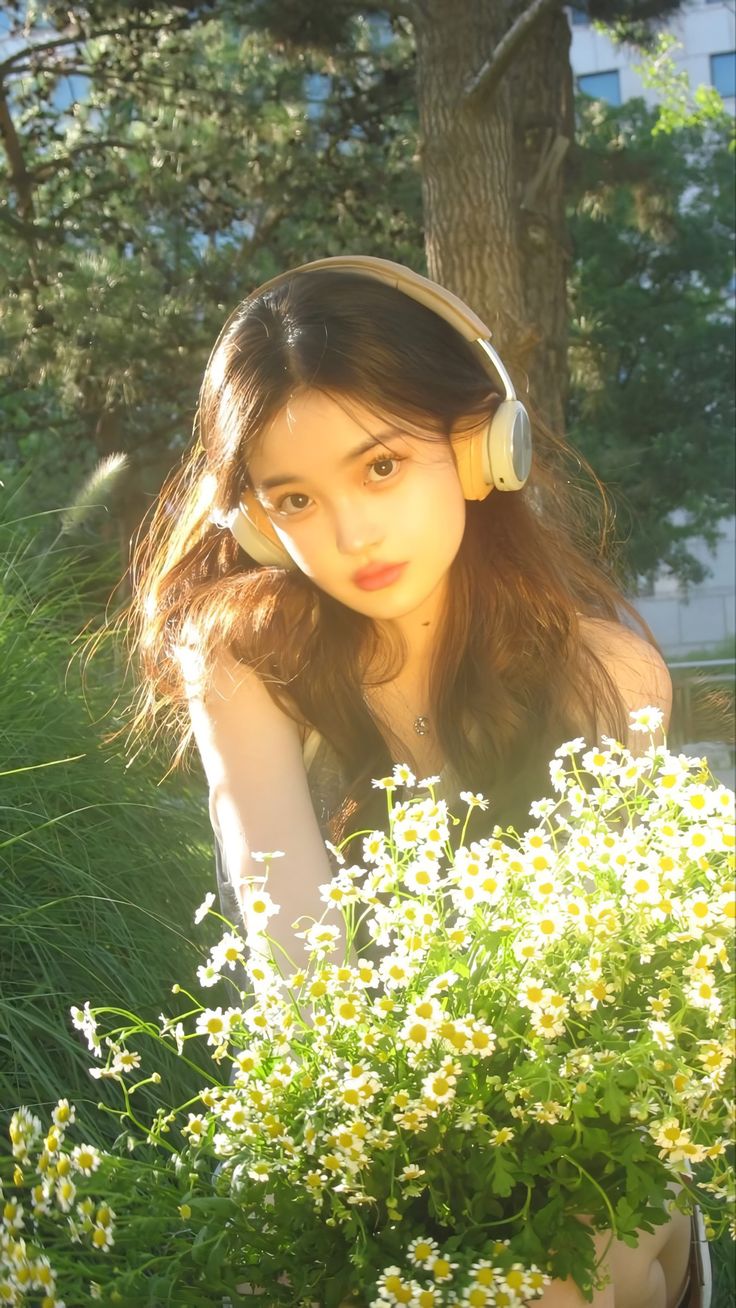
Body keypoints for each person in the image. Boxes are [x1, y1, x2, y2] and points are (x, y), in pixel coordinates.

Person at [127, 256, 710, 1307]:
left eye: (381, 466)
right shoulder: (245, 663)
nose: (349, 535)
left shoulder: (608, 676)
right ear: (255, 522)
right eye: (295, 498)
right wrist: (390, 1176)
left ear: (483, 445)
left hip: (585, 1141)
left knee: (562, 1278)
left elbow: (604, 1008)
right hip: (365, 1145)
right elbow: (294, 946)